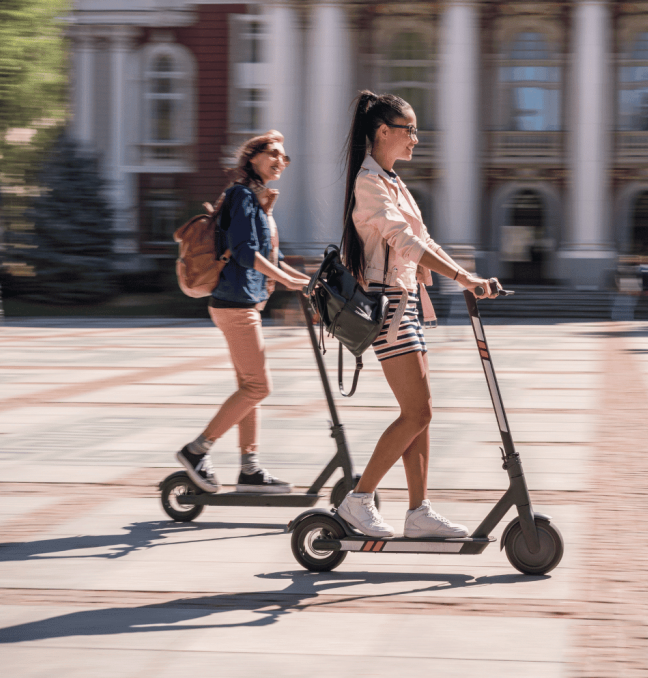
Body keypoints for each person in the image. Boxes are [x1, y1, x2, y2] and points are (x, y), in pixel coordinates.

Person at [335, 91, 496, 538]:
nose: (416, 140)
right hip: (386, 307)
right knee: (418, 412)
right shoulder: (369, 183)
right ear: (383, 131)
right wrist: (464, 278)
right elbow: (404, 241)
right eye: (410, 130)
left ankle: (418, 512)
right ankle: (358, 500)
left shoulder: (393, 182)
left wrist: (464, 274)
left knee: (420, 412)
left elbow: (424, 242)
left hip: (406, 303)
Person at [176, 130, 311, 494]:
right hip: (234, 304)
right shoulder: (241, 195)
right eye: (274, 154)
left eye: (285, 157)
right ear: (253, 157)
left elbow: (273, 256)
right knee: (258, 386)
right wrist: (285, 280)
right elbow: (243, 252)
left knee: (248, 388)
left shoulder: (258, 201)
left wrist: (308, 281)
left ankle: (250, 470)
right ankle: (196, 450)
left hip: (243, 303)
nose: (281, 161)